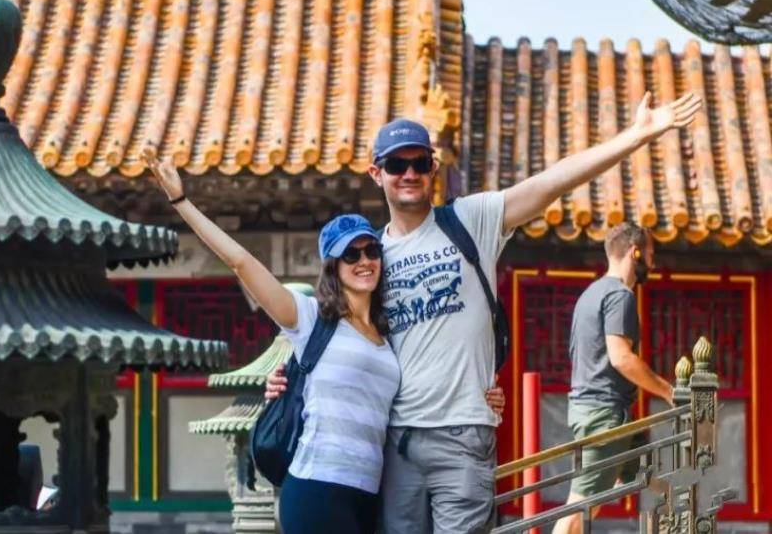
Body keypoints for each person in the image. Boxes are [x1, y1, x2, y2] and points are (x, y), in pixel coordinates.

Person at [267, 90, 701, 533]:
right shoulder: (369, 258)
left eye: (420, 162)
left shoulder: (469, 220)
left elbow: (551, 183)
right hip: (396, 445)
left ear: (434, 167)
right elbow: (337, 334)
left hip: (464, 434)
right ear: (377, 173)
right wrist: (290, 378)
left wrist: (635, 136)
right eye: (397, 165)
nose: (410, 173)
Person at [143, 148, 502, 534]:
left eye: (371, 250)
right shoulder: (312, 318)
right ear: (333, 266)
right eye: (350, 255)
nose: (364, 261)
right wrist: (181, 201)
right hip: (317, 487)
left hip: (368, 495)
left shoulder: (389, 333)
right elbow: (241, 262)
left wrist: (483, 390)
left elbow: (437, 354)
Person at [552, 223, 672, 534]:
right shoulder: (620, 296)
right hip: (604, 417)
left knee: (645, 472)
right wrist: (668, 391)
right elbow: (620, 358)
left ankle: (681, 515)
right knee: (578, 510)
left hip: (595, 411)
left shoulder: (590, 294)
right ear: (635, 253)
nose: (653, 263)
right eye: (650, 255)